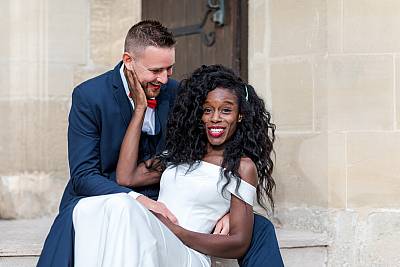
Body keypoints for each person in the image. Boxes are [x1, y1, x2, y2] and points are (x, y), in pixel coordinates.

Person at [37, 20, 283, 267]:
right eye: (156, 71)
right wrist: (137, 199)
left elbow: (211, 153)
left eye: (170, 69)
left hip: (169, 203)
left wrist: (228, 206)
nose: (164, 79)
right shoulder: (90, 96)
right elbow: (85, 176)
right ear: (128, 61)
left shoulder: (177, 93)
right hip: (108, 194)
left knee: (260, 230)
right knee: (116, 211)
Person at [72, 64, 281, 267]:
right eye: (208, 110)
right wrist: (140, 109)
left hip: (187, 252)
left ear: (240, 115)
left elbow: (239, 243)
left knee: (124, 206)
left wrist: (176, 231)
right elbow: (126, 177)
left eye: (226, 110)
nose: (215, 118)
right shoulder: (182, 154)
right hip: (155, 238)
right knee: (86, 207)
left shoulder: (242, 167)